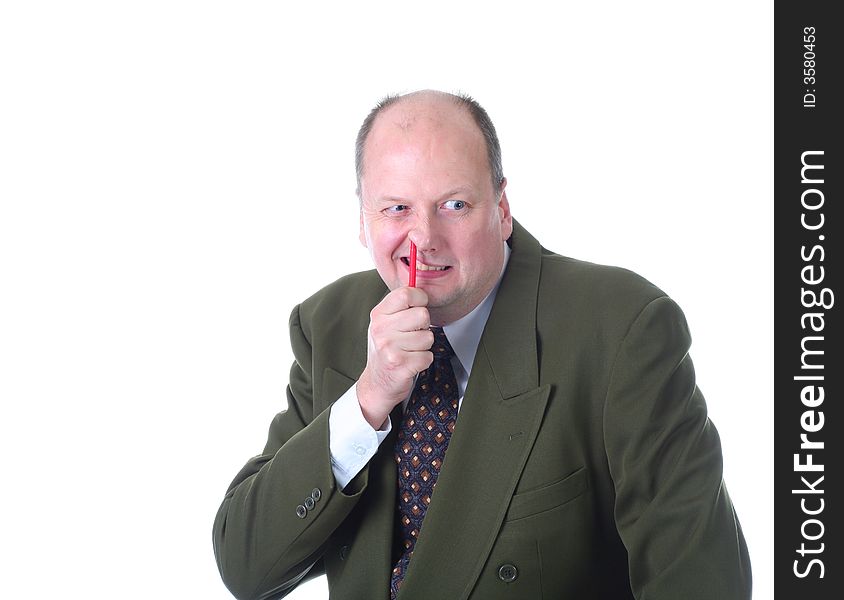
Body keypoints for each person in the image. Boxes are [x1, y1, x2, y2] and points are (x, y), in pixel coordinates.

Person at [212, 90, 751, 600]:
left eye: (454, 204)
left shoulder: (621, 327)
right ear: (363, 222)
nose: (423, 237)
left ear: (502, 207)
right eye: (395, 208)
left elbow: (700, 581)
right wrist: (367, 401)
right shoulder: (327, 324)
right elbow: (246, 566)